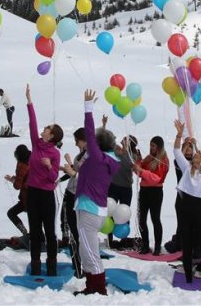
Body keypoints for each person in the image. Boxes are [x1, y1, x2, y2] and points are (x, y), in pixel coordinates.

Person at [74, 90, 120, 296]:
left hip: (90, 210)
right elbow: (99, 139)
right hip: (94, 210)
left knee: (91, 252)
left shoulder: (97, 159)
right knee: (86, 250)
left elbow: (90, 133)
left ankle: (98, 288)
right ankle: (91, 285)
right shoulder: (109, 160)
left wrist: (88, 107)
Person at [173, 119, 201, 284]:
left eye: (200, 155)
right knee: (186, 242)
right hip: (185, 207)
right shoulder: (186, 168)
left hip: (199, 209)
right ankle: (188, 276)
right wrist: (179, 135)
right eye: (197, 155)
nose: (197, 156)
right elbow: (177, 151)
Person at [25, 84, 63, 276]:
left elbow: (54, 177)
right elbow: (32, 123)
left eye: (47, 128)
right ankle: (35, 265)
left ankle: (52, 266)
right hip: (32, 193)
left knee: (49, 232)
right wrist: (29, 101)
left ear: (52, 135)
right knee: (35, 232)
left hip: (47, 196)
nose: (43, 129)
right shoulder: (37, 144)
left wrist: (49, 166)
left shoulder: (55, 153)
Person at [134, 135, 169, 255]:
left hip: (155, 192)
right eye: (150, 145)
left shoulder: (163, 160)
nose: (151, 147)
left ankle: (157, 247)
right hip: (144, 191)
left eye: (153, 146)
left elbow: (156, 179)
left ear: (159, 147)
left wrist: (142, 170)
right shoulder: (149, 158)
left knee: (155, 219)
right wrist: (138, 162)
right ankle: (145, 245)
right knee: (141, 220)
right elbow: (139, 172)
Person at [59, 127, 87, 276]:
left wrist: (73, 173)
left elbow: (86, 177)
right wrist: (67, 170)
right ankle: (77, 266)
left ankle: (82, 267)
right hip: (71, 194)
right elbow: (75, 172)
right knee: (72, 232)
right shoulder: (81, 154)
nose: (76, 143)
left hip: (81, 197)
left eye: (77, 140)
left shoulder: (91, 156)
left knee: (79, 233)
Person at [107, 133, 138, 248]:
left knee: (124, 213)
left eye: (125, 140)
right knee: (110, 212)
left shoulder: (133, 156)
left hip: (126, 188)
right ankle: (109, 239)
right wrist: (104, 125)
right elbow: (107, 142)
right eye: (123, 139)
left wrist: (122, 152)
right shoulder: (117, 151)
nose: (122, 141)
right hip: (113, 186)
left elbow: (127, 163)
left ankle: (123, 239)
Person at [5, 144, 31, 241]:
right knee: (35, 220)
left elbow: (18, 185)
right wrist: (14, 179)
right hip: (36, 195)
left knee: (11, 213)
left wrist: (14, 181)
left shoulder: (22, 165)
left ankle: (27, 234)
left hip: (27, 198)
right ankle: (32, 235)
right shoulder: (32, 161)